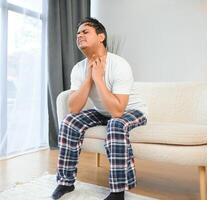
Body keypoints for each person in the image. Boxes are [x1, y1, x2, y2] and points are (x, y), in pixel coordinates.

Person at [51, 17, 148, 200]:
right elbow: (73, 108)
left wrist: (99, 79)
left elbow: (118, 111)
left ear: (101, 36)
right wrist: (89, 77)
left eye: (85, 32)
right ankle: (65, 182)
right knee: (69, 122)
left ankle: (118, 192)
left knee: (116, 124)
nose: (79, 35)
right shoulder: (79, 69)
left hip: (131, 111)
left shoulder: (119, 64)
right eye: (78, 33)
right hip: (104, 112)